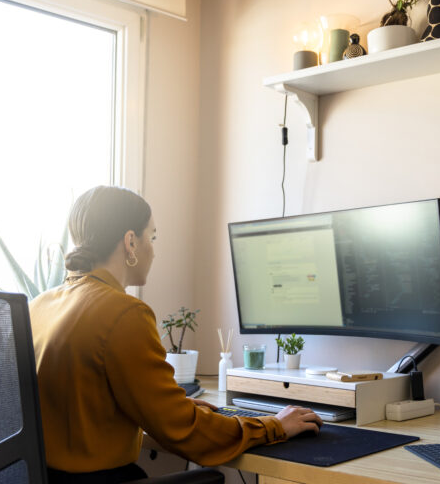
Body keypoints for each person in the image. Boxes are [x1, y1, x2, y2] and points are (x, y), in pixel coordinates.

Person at [30, 186, 322, 483]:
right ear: (130, 242)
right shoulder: (124, 313)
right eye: (152, 237)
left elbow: (84, 402)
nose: (154, 250)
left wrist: (173, 406)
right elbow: (185, 432)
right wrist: (274, 426)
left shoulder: (39, 306)